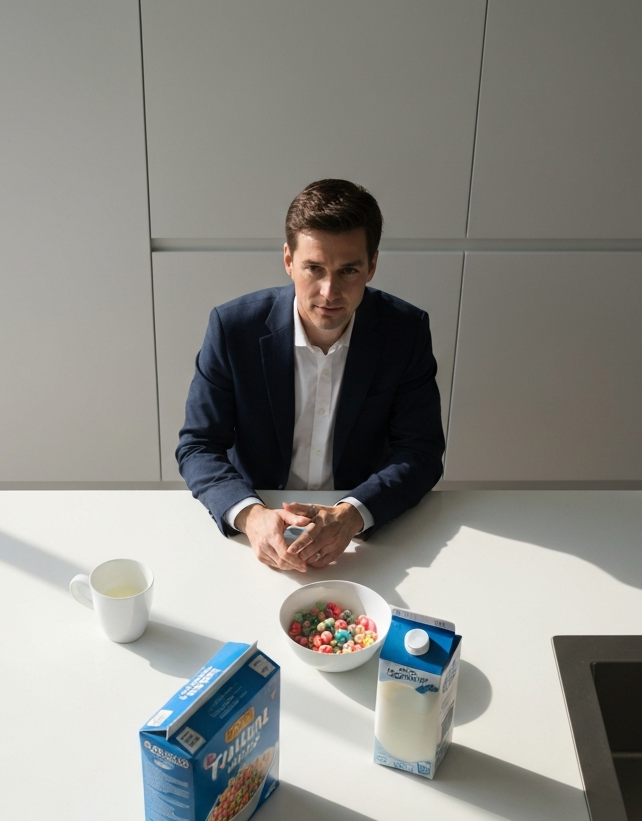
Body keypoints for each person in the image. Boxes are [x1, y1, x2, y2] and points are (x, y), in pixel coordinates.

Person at [176, 179, 445, 571]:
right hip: (256, 528)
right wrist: (251, 515)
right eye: (314, 268)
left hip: (368, 543)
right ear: (288, 260)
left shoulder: (406, 331)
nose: (329, 291)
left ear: (372, 265)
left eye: (348, 270)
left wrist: (352, 513)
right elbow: (198, 445)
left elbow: (421, 452)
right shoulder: (233, 328)